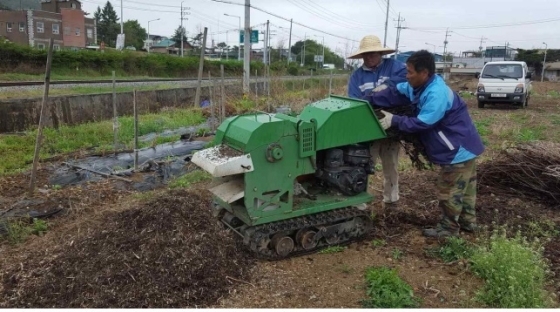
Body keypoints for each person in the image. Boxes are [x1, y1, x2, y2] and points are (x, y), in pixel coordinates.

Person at [365, 50, 485, 238]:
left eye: (410, 72)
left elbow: (423, 123)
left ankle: (448, 229)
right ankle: (468, 223)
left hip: (456, 148)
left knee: (450, 190)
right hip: (463, 146)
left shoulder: (437, 94)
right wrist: (370, 99)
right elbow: (397, 91)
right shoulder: (418, 86)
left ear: (424, 73)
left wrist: (394, 120)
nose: (407, 75)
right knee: (466, 188)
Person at [347, 35, 407, 208]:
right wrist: (371, 98)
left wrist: (385, 87)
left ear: (380, 53)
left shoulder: (394, 66)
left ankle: (391, 199)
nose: (369, 58)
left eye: (373, 54)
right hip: (367, 129)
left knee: (391, 165)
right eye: (366, 55)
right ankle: (359, 203)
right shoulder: (357, 77)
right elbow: (354, 101)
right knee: (362, 165)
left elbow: (405, 79)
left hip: (391, 125)